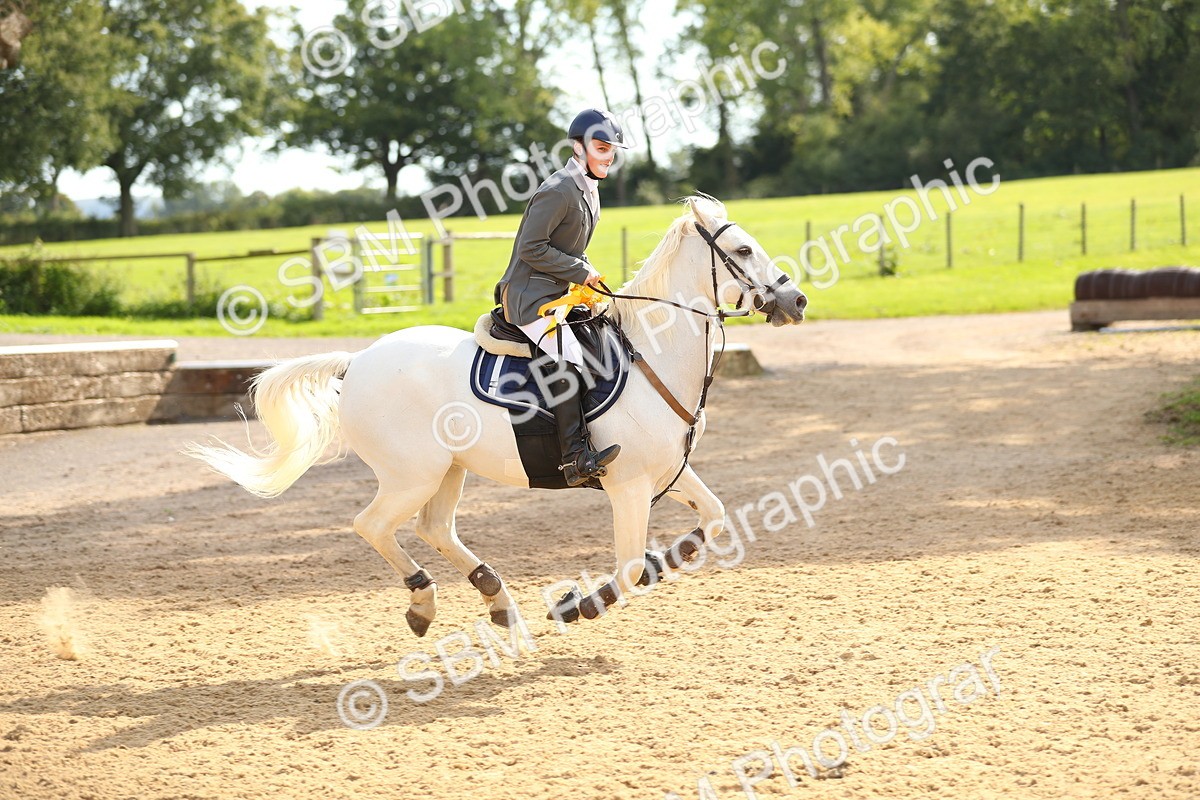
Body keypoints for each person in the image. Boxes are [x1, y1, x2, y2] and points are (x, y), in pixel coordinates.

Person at [493, 108, 628, 486]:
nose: (607, 157)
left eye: (611, 150)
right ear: (577, 147)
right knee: (569, 358)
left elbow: (570, 247)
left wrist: (587, 279)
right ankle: (574, 458)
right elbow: (531, 249)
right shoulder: (558, 191)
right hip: (529, 296)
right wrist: (580, 272)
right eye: (601, 148)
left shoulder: (588, 190)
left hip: (558, 293)